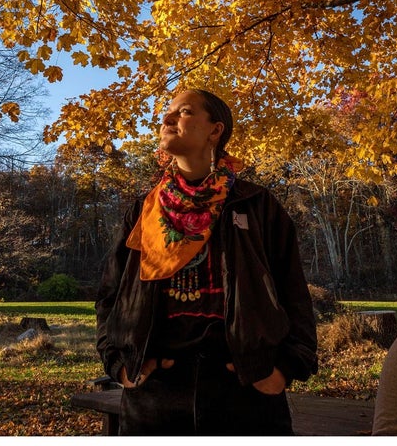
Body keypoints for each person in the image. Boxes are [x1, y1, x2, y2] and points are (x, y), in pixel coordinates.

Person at [95, 88, 318, 435]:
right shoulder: (144, 210)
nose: (167, 119)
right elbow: (111, 295)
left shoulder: (256, 205)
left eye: (183, 112)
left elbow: (293, 292)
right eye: (167, 112)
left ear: (215, 130)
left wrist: (286, 368)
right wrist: (119, 364)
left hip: (245, 391)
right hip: (154, 395)